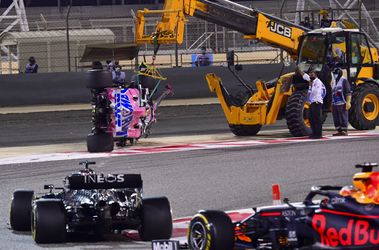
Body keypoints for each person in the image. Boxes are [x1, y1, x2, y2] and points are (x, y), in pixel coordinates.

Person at [297, 67, 326, 139]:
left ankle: (318, 134)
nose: (310, 74)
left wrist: (310, 87)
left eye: (312, 73)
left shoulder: (317, 82)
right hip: (312, 102)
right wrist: (300, 71)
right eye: (310, 73)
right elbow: (305, 76)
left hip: (317, 102)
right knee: (311, 118)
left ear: (315, 75)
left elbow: (315, 92)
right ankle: (314, 133)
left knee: (317, 118)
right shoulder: (311, 80)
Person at [331, 68, 352, 136]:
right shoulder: (334, 81)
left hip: (342, 102)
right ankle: (339, 130)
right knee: (336, 117)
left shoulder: (344, 80)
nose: (335, 75)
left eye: (336, 73)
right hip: (335, 103)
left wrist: (348, 102)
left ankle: (344, 130)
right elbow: (333, 92)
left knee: (343, 116)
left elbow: (348, 92)